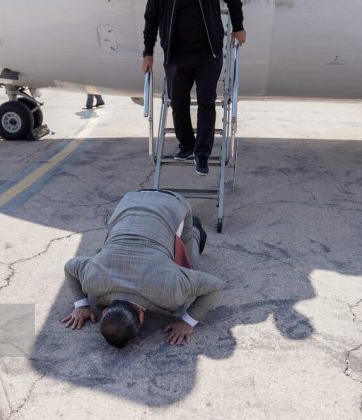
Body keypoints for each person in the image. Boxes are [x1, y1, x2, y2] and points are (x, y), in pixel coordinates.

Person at [61, 190, 225, 348]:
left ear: (141, 317)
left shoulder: (171, 291)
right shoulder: (92, 280)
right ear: (105, 312)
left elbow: (215, 286)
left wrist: (187, 322)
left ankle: (195, 230)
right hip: (131, 199)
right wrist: (81, 305)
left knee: (190, 267)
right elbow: (70, 267)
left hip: (173, 205)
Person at [142, 0, 246, 175]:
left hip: (208, 53)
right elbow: (151, 18)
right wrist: (148, 52)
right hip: (176, 55)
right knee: (178, 103)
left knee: (206, 102)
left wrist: (238, 26)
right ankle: (187, 145)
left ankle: (202, 155)